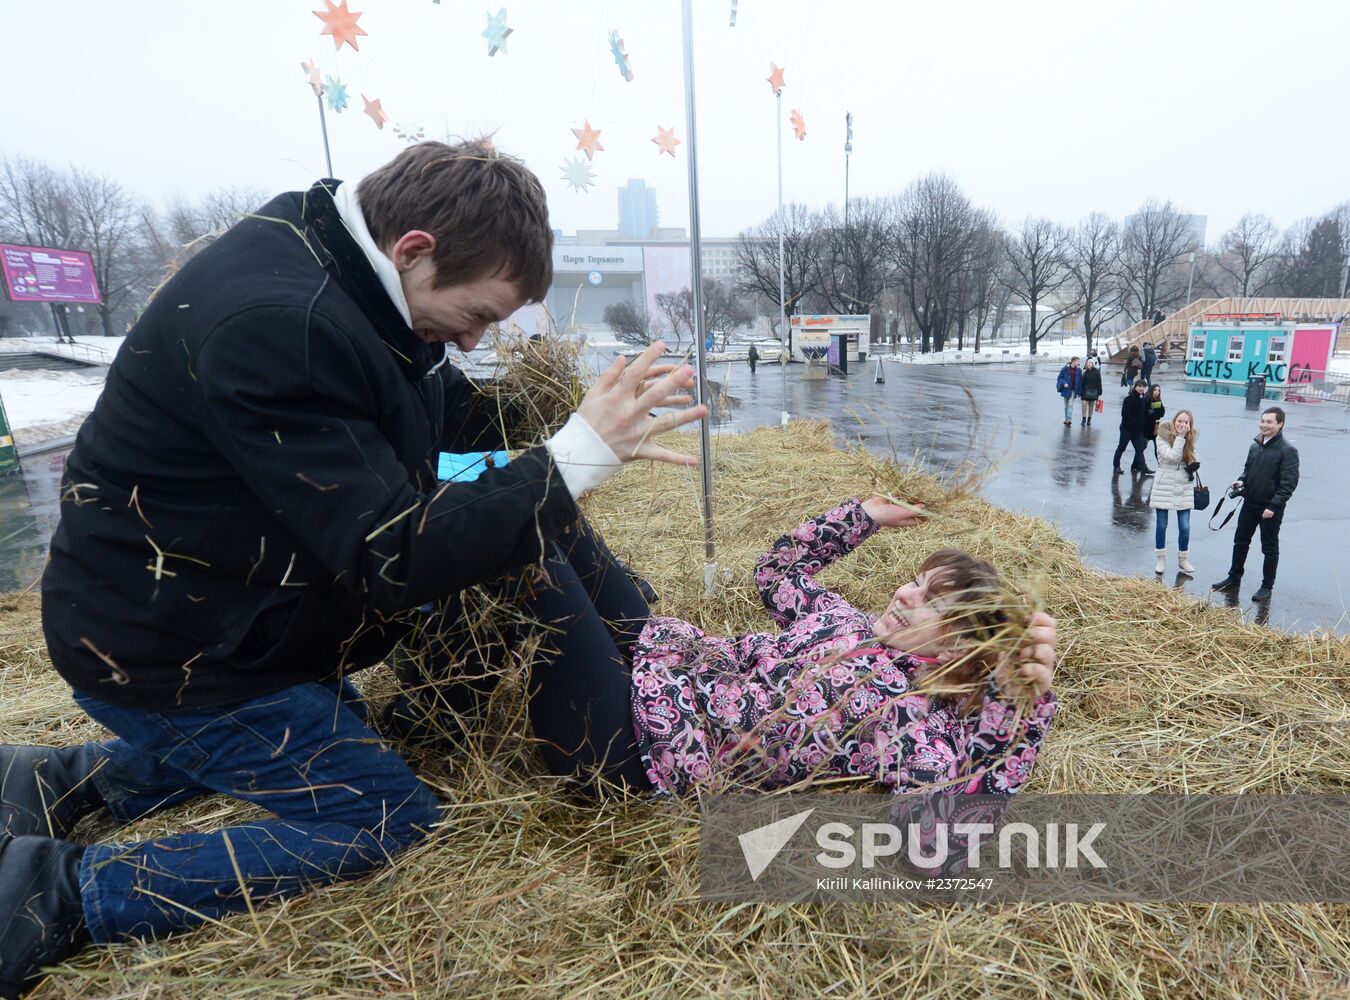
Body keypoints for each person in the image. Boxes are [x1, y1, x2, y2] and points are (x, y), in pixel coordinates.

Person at [0, 140, 709, 997]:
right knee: (379, 811)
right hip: (164, 646)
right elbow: (394, 555)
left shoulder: (338, 262)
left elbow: (421, 406)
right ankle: (51, 892)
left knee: (328, 724)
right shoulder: (280, 326)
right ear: (415, 248)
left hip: (215, 600)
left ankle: (64, 779)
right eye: (478, 314)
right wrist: (571, 462)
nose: (478, 338)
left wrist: (556, 423)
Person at [415, 496, 1059, 799]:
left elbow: (969, 801)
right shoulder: (845, 621)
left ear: (956, 653)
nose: (905, 594)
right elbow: (776, 574)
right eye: (915, 580)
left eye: (932, 604)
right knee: (551, 516)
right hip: (668, 662)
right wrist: (861, 516)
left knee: (525, 551)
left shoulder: (909, 727)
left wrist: (1021, 695)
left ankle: (421, 710)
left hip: (626, 741)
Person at [1212, 407, 1300, 602]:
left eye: (1269, 422)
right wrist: (1241, 481)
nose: (1264, 425)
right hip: (1250, 503)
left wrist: (1273, 506)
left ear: (1280, 424)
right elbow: (1247, 469)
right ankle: (1234, 578)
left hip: (1270, 509)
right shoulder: (1256, 444)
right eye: (1263, 421)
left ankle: (1267, 586)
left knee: (1269, 548)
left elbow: (1289, 484)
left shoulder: (1288, 450)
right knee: (1240, 542)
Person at [1149, 410, 1199, 575]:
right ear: (1174, 421)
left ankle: (1183, 559)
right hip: (1165, 482)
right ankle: (1160, 559)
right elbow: (1172, 457)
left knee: (1185, 526)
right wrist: (1181, 438)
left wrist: (1193, 463)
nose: (1182, 425)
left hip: (1183, 484)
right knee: (1161, 525)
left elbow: (1193, 457)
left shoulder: (1191, 438)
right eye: (1179, 421)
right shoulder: (1162, 436)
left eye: (1186, 422)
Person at [1112, 379, 1154, 476]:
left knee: (1140, 449)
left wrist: (1149, 414)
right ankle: (1116, 466)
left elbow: (1143, 413)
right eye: (1139, 386)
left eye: (1143, 387)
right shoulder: (1129, 399)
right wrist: (1135, 422)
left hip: (1138, 431)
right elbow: (1125, 414)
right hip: (1127, 429)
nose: (1141, 388)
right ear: (1135, 387)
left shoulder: (1143, 399)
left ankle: (1143, 467)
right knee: (1122, 447)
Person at [1055, 356, 1082, 426]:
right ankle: (1066, 418)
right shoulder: (1065, 369)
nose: (1078, 363)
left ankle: (1069, 420)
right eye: (1077, 361)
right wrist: (1064, 383)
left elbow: (1080, 381)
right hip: (1066, 390)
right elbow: (1059, 378)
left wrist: (1079, 392)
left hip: (1073, 390)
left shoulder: (1079, 370)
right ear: (1073, 361)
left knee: (1070, 405)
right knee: (1066, 406)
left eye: (1078, 361)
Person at [1079, 358, 1103, 426]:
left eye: (1090, 363)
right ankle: (1083, 419)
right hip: (1085, 391)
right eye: (1087, 363)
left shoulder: (1096, 371)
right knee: (1084, 405)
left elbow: (1099, 382)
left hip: (1093, 391)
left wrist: (1100, 391)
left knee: (1091, 406)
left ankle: (1089, 419)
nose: (1088, 364)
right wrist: (1083, 374)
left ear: (1092, 364)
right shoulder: (1085, 371)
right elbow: (1082, 382)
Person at [1144, 384, 1166, 453]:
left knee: (1157, 448)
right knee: (1142, 447)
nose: (1157, 392)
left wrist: (1154, 412)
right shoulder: (1146, 399)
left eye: (1158, 390)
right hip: (1146, 427)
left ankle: (1159, 463)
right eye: (1155, 390)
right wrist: (1153, 412)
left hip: (1155, 427)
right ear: (1151, 390)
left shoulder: (1158, 400)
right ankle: (1137, 463)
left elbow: (1162, 413)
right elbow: (1145, 412)